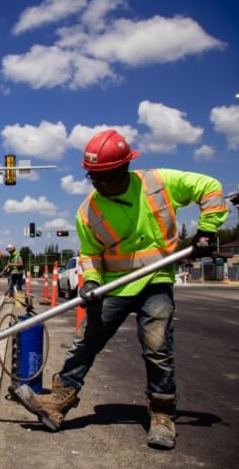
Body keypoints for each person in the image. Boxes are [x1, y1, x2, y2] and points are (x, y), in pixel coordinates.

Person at [15, 129, 228, 449]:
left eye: (104, 177)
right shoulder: (89, 211)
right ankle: (58, 403)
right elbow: (89, 254)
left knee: (157, 347)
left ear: (123, 169)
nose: (98, 184)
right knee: (86, 342)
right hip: (114, 286)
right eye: (93, 177)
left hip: (155, 281)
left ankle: (162, 414)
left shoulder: (158, 183)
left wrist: (206, 232)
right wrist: (90, 282)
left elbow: (211, 188)